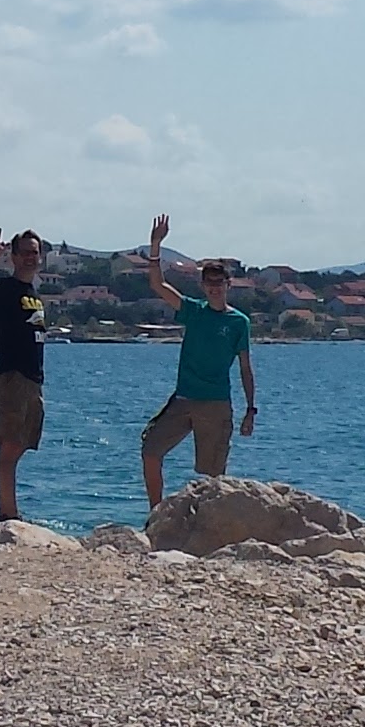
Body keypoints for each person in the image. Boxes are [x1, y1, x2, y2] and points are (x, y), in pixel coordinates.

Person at [136, 212, 256, 509]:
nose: (214, 286)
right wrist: (155, 246)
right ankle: (156, 514)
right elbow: (158, 286)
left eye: (219, 281)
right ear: (202, 285)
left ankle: (207, 527)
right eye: (209, 281)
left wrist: (251, 409)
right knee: (151, 451)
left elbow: (245, 367)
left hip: (216, 404)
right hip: (184, 399)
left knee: (212, 477)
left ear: (229, 284)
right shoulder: (193, 311)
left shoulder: (239, 322)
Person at [0, 226, 47, 522]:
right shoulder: (6, 288)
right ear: (14, 257)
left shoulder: (33, 294)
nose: (31, 257)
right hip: (12, 376)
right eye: (25, 252)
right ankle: (7, 513)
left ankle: (10, 509)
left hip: (33, 379)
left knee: (20, 443)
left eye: (35, 252)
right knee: (9, 445)